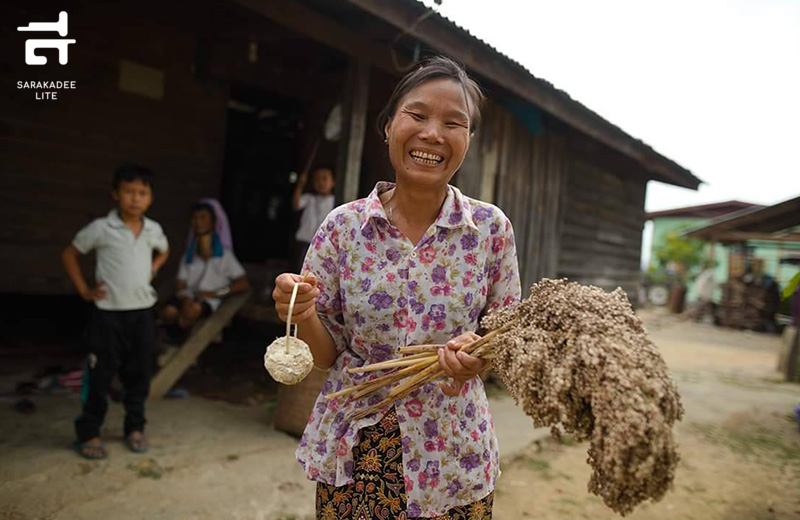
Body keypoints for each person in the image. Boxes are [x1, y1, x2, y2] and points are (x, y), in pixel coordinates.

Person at [272, 56, 520, 519]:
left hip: (452, 452)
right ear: (387, 127)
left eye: (453, 123)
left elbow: (507, 338)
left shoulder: (490, 230)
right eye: (418, 115)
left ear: (468, 140)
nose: (433, 134)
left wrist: (478, 357)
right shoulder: (342, 227)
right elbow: (326, 356)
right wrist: (302, 311)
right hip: (356, 447)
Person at [62, 163, 170, 459]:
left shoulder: (153, 229)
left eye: (142, 193)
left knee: (139, 372)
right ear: (115, 194)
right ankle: (90, 431)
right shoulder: (101, 228)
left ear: (150, 198)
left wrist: (153, 269)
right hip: (107, 314)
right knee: (100, 374)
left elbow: (165, 250)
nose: (135, 198)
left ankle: (135, 427)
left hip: (143, 313)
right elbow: (70, 253)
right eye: (129, 192)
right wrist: (84, 290)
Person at [160, 201, 249, 336]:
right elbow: (180, 285)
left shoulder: (225, 256)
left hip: (209, 301)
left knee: (192, 311)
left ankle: (178, 336)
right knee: (169, 312)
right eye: (195, 218)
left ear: (213, 223)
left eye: (203, 217)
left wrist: (214, 294)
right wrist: (185, 298)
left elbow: (243, 283)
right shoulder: (189, 257)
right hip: (187, 297)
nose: (198, 222)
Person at [292, 165, 335, 273]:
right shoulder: (309, 198)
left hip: (324, 243)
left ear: (333, 182)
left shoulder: (335, 200)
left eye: (324, 178)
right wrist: (300, 185)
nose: (320, 183)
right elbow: (296, 204)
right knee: (300, 270)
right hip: (305, 240)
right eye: (317, 180)